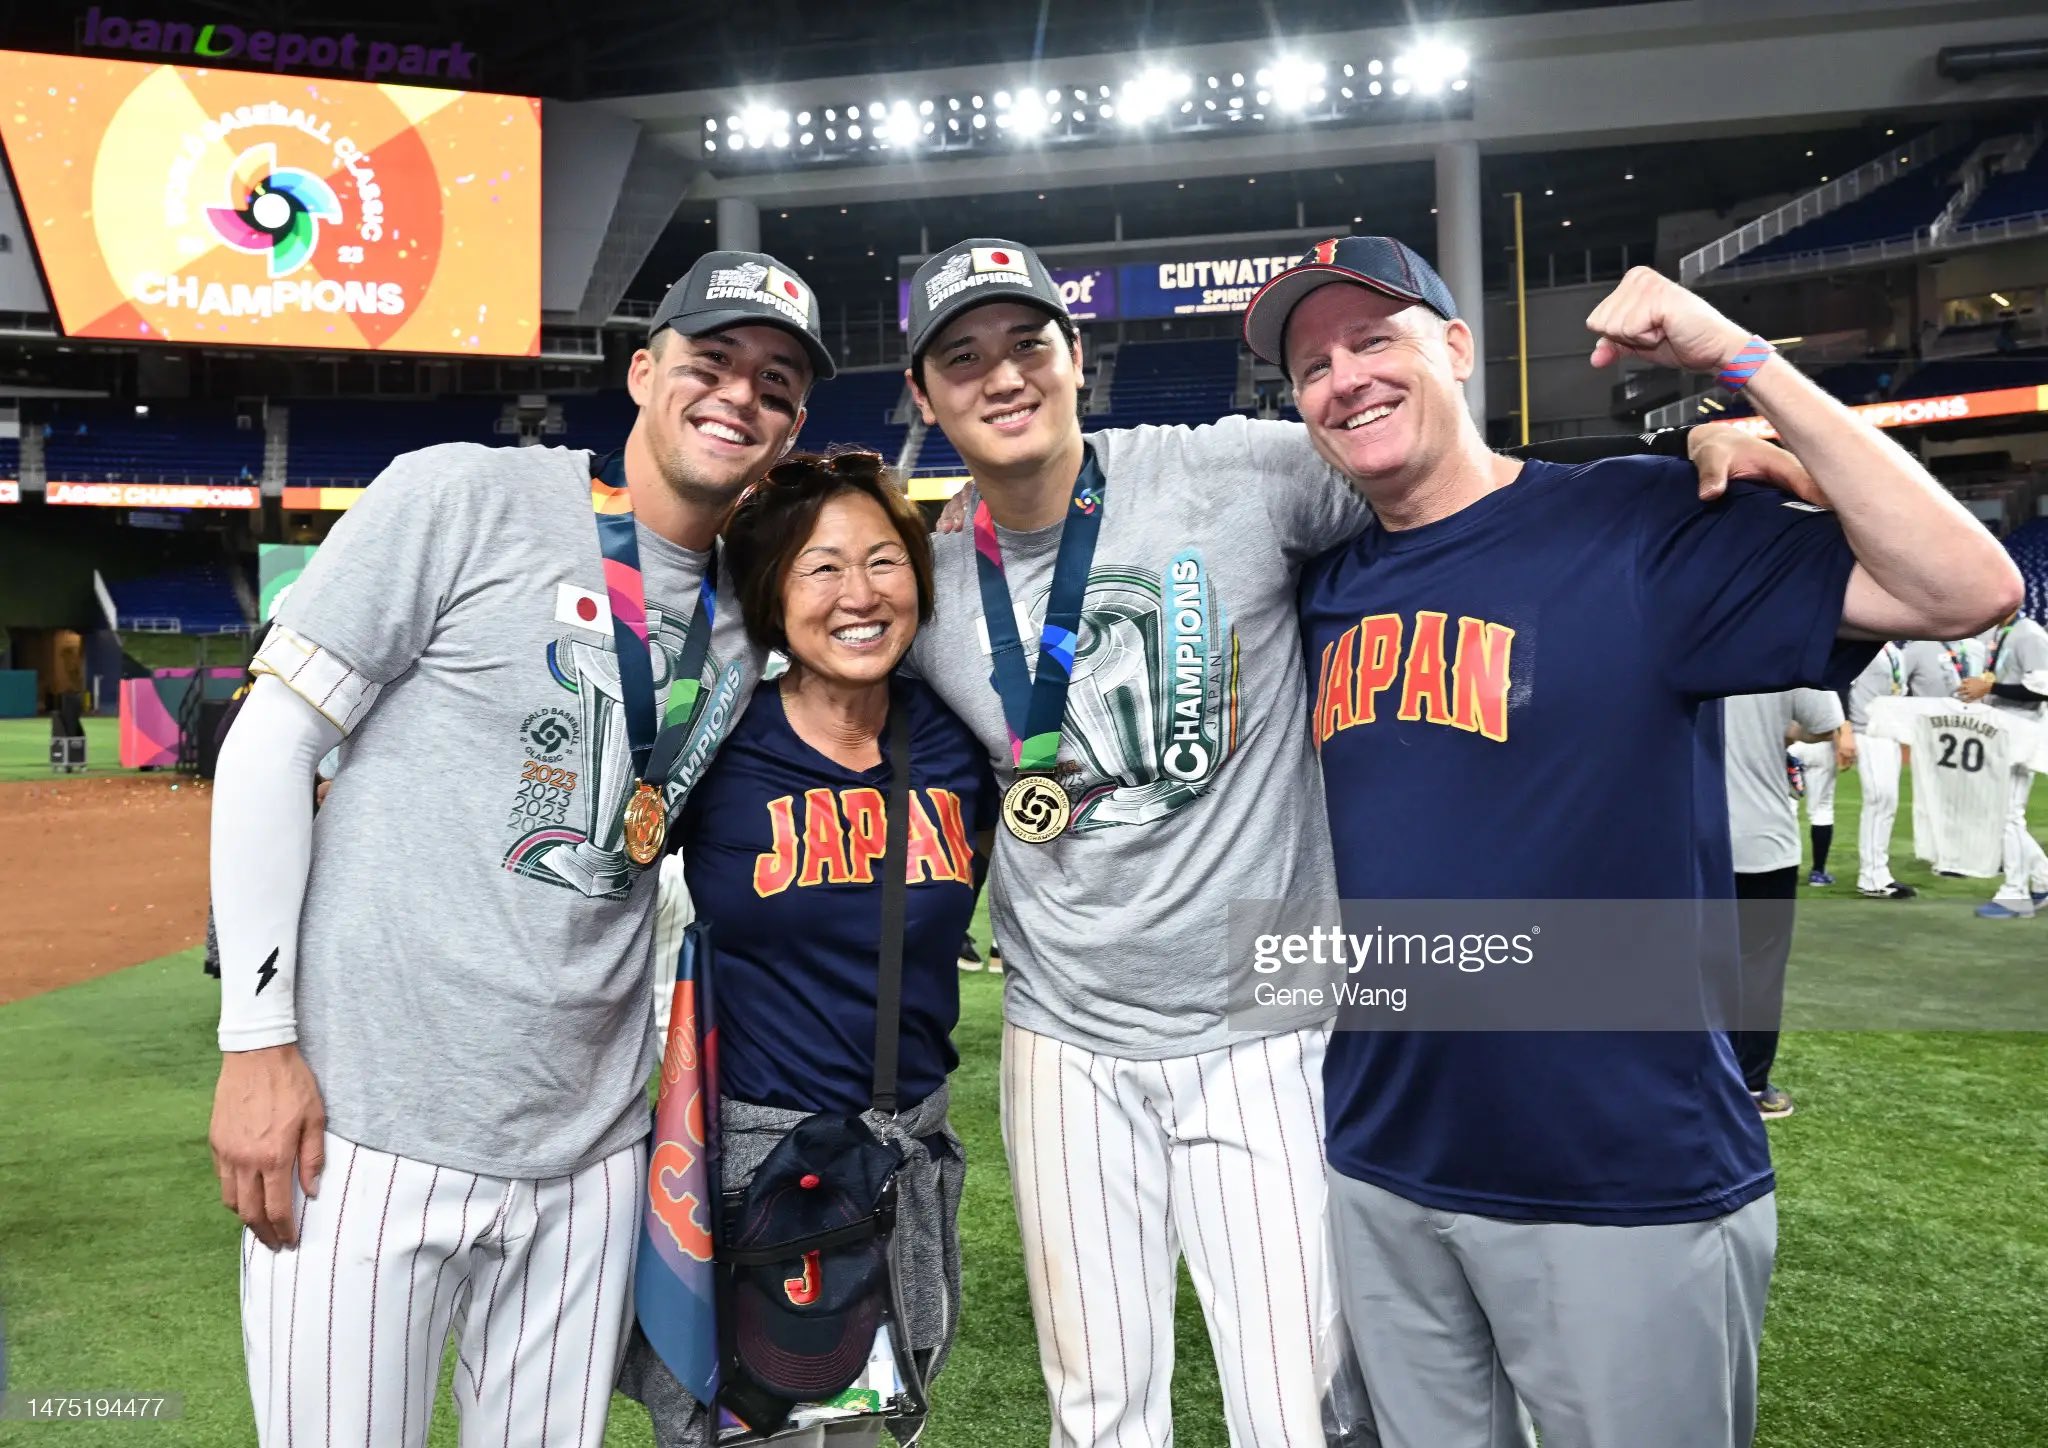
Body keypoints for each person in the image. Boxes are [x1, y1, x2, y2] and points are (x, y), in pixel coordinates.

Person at [901, 235, 1817, 1446]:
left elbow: (1454, 479)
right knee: (1094, 1405)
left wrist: (1672, 452)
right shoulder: (914, 578)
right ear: (921, 395)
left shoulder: (1237, 467)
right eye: (960, 356)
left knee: (1297, 1409)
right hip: (1060, 1031)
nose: (1000, 375)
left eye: (1027, 343)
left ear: (1078, 358)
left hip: (1266, 1016)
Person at [1253, 240, 2020, 1448]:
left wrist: (1737, 366)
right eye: (1310, 365)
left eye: (1374, 341)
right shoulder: (1319, 584)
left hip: (1619, 1171)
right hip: (1380, 1162)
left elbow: (1962, 587)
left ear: (1456, 349)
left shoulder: (1634, 521)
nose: (1343, 378)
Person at [207, 250, 831, 1447]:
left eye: (776, 384)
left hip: (591, 1150)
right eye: (712, 362)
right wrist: (255, 1045)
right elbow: (268, 749)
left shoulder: (752, 614)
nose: (739, 396)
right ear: (644, 373)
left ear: (793, 424)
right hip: (368, 1125)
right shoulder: (462, 494)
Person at [619, 450, 995, 1446]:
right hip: (750, 1166)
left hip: (899, 1156)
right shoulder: (723, 741)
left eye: (882, 560)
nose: (859, 593)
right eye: (820, 567)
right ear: (770, 595)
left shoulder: (960, 739)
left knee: (869, 1433)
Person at [1724, 687, 1845, 1118]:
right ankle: (1751, 1086)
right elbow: (1824, 722)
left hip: (1682, 834)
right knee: (1759, 967)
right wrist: (1773, 731)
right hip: (1760, 835)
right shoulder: (1779, 632)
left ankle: (1685, 1078)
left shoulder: (1667, 627)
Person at [1959, 608, 2048, 918]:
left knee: (2007, 815)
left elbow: (2043, 689)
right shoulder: (2000, 633)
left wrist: (1991, 688)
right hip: (2002, 732)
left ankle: (2015, 894)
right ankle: (2042, 878)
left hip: (2021, 735)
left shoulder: (2029, 634)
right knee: (2006, 815)